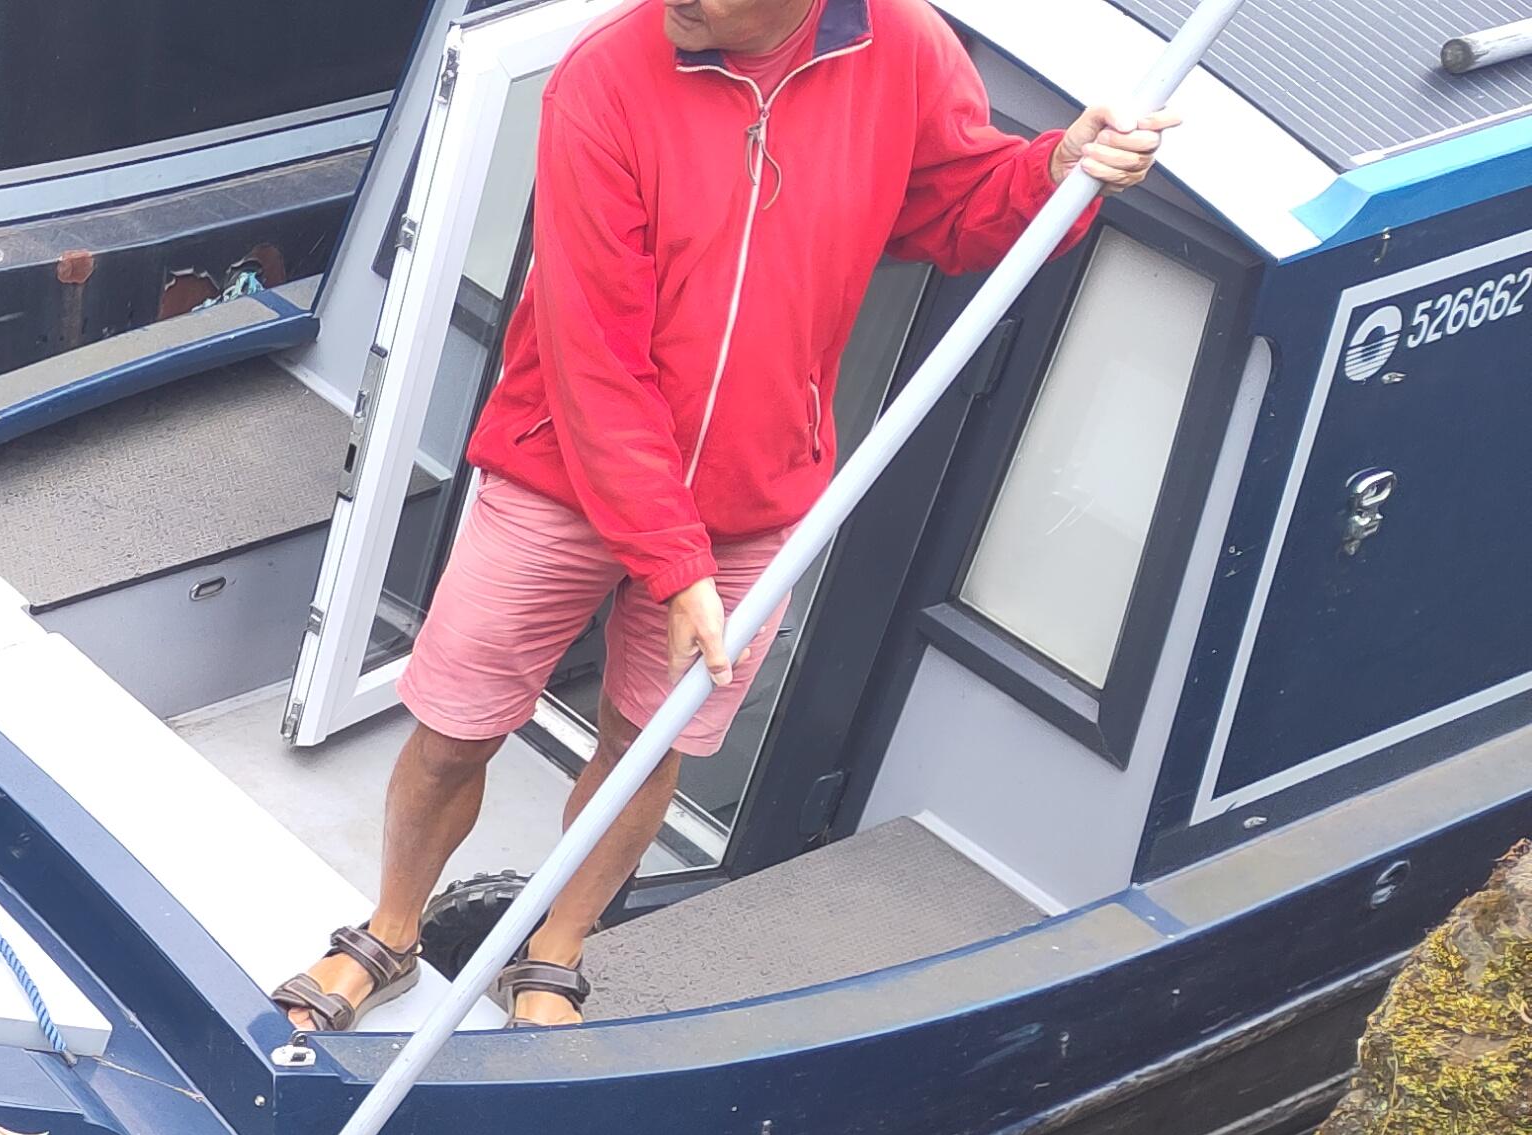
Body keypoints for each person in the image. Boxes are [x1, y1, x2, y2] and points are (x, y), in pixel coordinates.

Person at [271, 0, 1171, 1032]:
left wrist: (1055, 172)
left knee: (645, 746)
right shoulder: (604, 77)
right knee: (453, 731)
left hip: (752, 500)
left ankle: (554, 957)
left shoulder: (905, 46)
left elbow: (952, 210)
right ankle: (389, 933)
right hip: (561, 470)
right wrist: (674, 561)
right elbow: (593, 353)